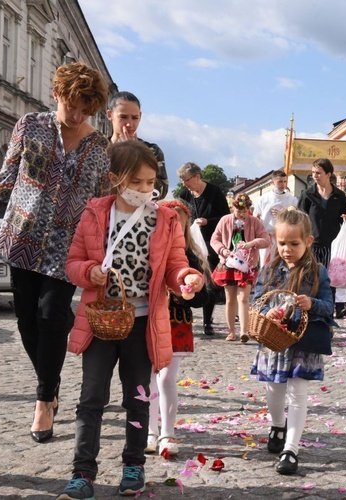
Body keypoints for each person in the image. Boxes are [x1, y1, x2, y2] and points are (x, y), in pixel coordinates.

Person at [58, 141, 204, 498]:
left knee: (138, 396)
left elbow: (174, 264)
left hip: (143, 325)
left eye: (150, 182)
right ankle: (82, 472)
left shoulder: (165, 218)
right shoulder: (94, 213)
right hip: (100, 322)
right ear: (114, 179)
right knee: (91, 397)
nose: (143, 190)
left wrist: (185, 277)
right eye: (136, 182)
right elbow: (72, 262)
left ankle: (133, 466)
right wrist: (89, 271)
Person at [0, 62, 110, 444]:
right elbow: (5, 178)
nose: (78, 115)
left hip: (67, 247)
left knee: (51, 316)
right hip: (22, 236)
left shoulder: (99, 146)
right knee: (25, 319)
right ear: (57, 93)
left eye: (87, 109)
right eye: (74, 105)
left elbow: (102, 201)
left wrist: (102, 250)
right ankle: (50, 386)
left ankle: (43, 400)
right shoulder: (30, 125)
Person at [251, 208, 337, 476]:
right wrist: (269, 313)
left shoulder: (318, 271)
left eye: (294, 244)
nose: (287, 249)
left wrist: (312, 303)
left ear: (308, 241)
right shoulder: (270, 269)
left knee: (298, 394)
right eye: (282, 243)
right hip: (274, 340)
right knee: (275, 391)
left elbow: (329, 306)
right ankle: (278, 424)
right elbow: (257, 301)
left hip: (304, 340)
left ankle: (291, 448)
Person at [146, 199, 209, 456]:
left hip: (175, 323)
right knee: (147, 379)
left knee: (167, 377)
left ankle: (167, 433)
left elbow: (206, 298)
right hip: (148, 320)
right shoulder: (147, 247)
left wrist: (192, 291)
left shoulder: (190, 256)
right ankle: (149, 432)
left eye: (178, 222)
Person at [178, 162, 231, 335]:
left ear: (197, 177)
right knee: (190, 279)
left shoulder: (214, 192)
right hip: (190, 242)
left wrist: (208, 221)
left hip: (211, 242)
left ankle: (208, 321)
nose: (184, 183)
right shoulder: (185, 193)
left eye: (186, 179)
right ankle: (188, 316)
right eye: (182, 180)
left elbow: (225, 217)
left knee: (209, 282)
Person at [211, 194, 269, 342]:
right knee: (230, 299)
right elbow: (214, 239)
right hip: (228, 264)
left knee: (243, 297)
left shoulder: (255, 222)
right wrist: (223, 250)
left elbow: (266, 240)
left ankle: (244, 331)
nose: (242, 214)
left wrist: (252, 243)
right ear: (233, 208)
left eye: (245, 211)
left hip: (246, 266)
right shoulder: (224, 220)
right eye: (239, 211)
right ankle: (231, 331)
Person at [297, 158, 346, 318]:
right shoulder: (307, 194)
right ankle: (310, 314)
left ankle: (328, 315)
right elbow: (300, 218)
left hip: (333, 246)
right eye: (313, 173)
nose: (315, 176)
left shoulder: (339, 195)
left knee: (330, 281)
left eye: (318, 173)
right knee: (310, 280)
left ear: (328, 174)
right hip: (311, 245)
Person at [106, 91, 169, 199]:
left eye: (135, 118)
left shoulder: (151, 151)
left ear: (140, 116)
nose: (130, 124)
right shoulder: (97, 150)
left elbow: (162, 190)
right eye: (123, 117)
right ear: (109, 115)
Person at [253, 169, 299, 266]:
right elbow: (255, 219)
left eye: (285, 181)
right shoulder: (263, 199)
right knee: (265, 266)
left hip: (285, 238)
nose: (283, 184)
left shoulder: (292, 199)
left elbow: (297, 218)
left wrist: (284, 213)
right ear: (272, 183)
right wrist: (256, 220)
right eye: (280, 182)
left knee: (283, 266)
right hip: (267, 237)